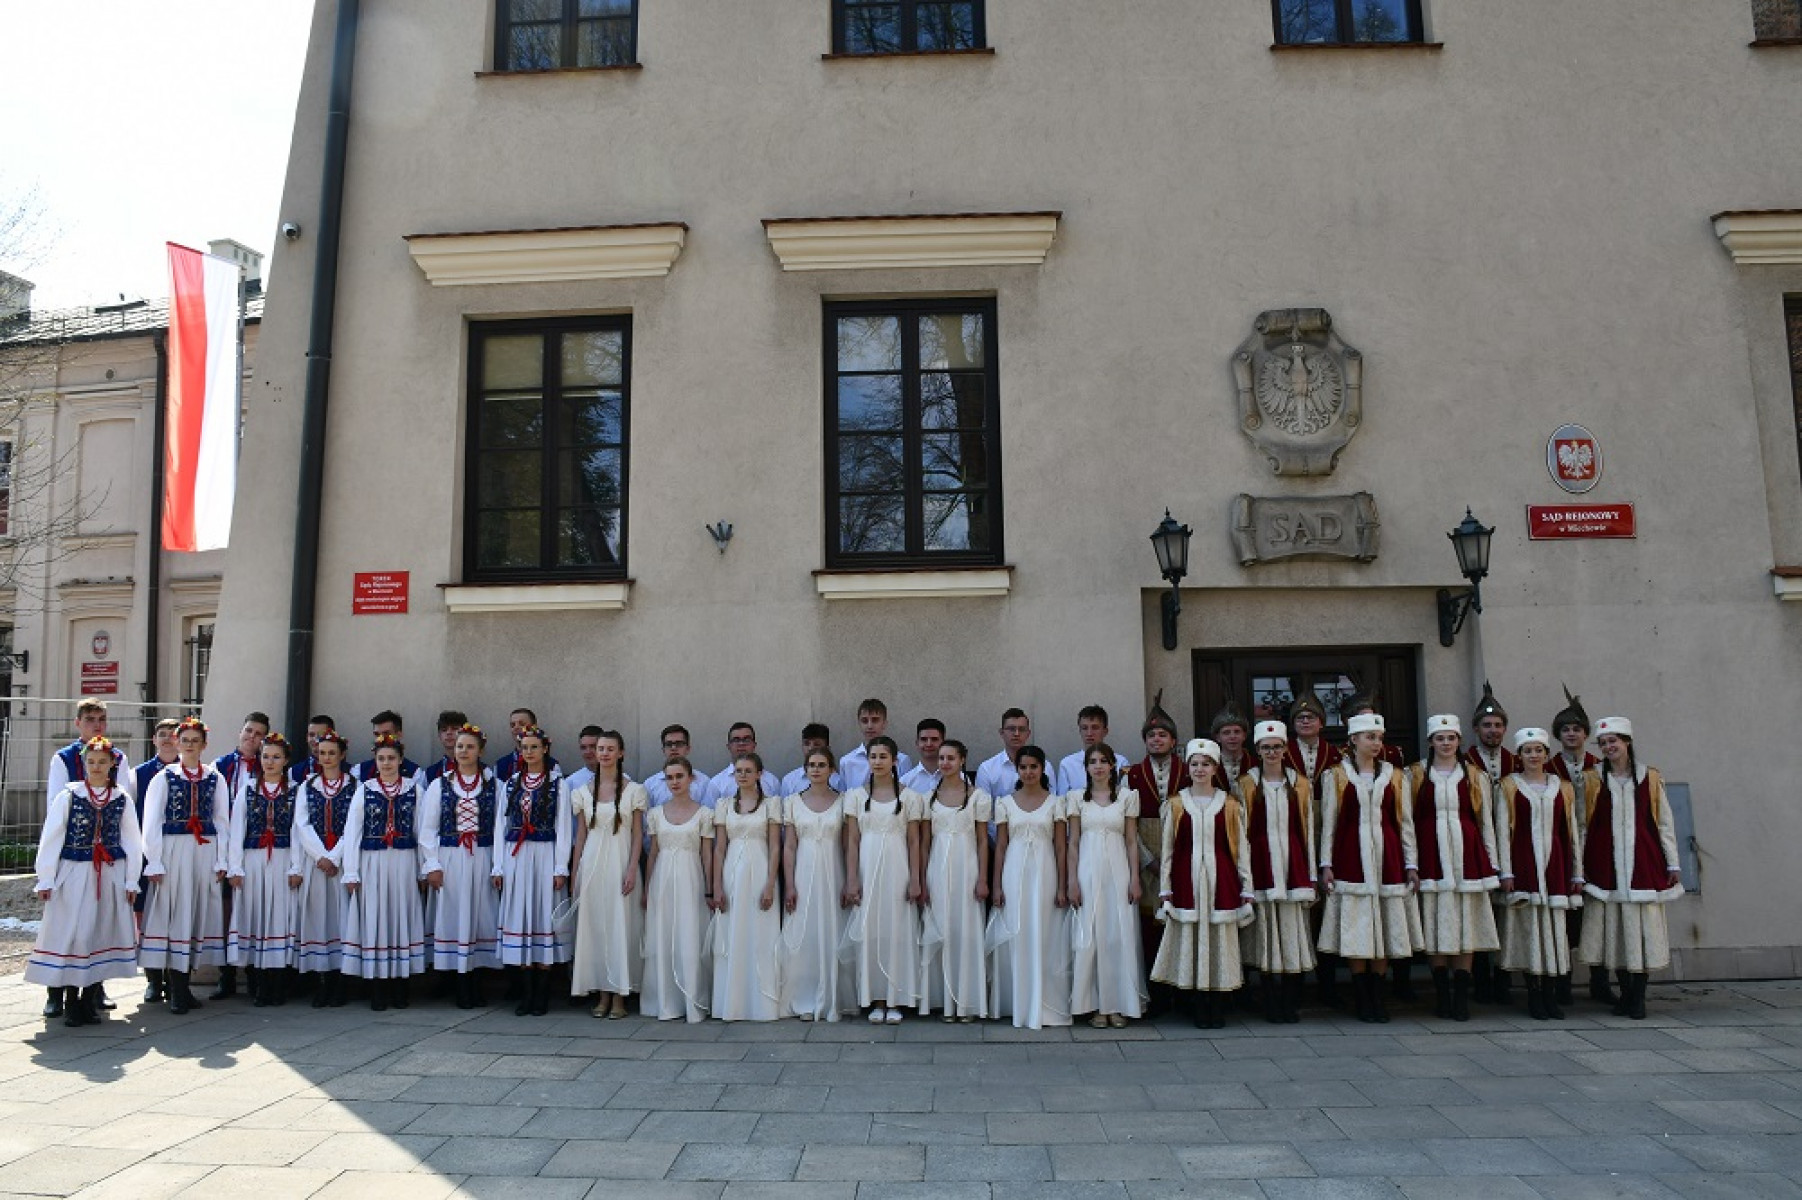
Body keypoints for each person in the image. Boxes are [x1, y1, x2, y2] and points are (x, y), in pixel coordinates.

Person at [26, 736, 143, 1027]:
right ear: (83, 763)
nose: (96, 767)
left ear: (112, 764)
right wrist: (46, 877)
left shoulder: (121, 799)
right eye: (91, 762)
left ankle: (89, 999)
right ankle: (69, 1000)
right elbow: (52, 836)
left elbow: (132, 841)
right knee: (74, 934)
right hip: (74, 873)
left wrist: (131, 880)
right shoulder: (70, 795)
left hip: (109, 873)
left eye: (102, 762)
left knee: (100, 933)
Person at [1317, 714, 1420, 1025]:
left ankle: (1378, 994)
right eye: (1370, 737)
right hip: (1350, 855)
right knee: (1358, 926)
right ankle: (1361, 994)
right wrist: (1326, 864)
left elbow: (1404, 822)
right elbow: (1329, 823)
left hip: (1387, 857)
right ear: (1353, 740)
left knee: (1384, 925)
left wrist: (1411, 863)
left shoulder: (1395, 776)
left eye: (1379, 738)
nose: (1376, 743)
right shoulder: (1336, 776)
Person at [1578, 717, 1683, 1021]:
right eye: (1603, 743)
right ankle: (1625, 994)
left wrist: (1673, 862)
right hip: (1605, 868)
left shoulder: (1650, 778)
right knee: (1617, 936)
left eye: (1613, 741)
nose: (1608, 747)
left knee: (1641, 934)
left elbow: (1664, 823)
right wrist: (1579, 865)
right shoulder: (1592, 779)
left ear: (1627, 742)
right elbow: (1582, 826)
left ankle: (1637, 998)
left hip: (1643, 864)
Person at [1152, 738, 1254, 1029]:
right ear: (1188, 768)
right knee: (1192, 940)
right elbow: (1168, 851)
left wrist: (1246, 886)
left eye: (1205, 764)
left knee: (1218, 941)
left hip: (1222, 880)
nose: (1200, 769)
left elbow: (1241, 849)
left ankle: (1217, 1004)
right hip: (1187, 880)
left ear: (1215, 768)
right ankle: (1196, 1003)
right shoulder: (1175, 804)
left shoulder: (1230, 805)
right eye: (1195, 764)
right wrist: (1165, 889)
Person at [42, 698, 132, 1018]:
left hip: (105, 855)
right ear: (78, 723)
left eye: (101, 719)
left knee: (99, 924)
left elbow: (123, 802)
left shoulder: (118, 758)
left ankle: (95, 988)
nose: (96, 724)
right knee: (66, 926)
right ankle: (55, 993)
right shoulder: (64, 758)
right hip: (73, 854)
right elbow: (55, 807)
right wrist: (50, 868)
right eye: (90, 719)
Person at [1408, 715, 1500, 1022]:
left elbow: (1485, 822)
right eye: (1440, 738)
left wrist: (1493, 864)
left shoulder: (1474, 776)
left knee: (1465, 927)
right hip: (1430, 856)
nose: (1446, 743)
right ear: (1431, 742)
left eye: (1451, 738)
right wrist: (1411, 862)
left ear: (1459, 741)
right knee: (1435, 926)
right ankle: (1442, 996)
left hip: (1467, 858)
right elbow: (1407, 820)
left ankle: (1461, 997)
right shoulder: (1415, 774)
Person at [139, 717, 229, 1015]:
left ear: (204, 745)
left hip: (204, 851)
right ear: (177, 743)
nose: (190, 745)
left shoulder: (214, 778)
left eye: (195, 741)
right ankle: (176, 988)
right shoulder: (164, 777)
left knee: (195, 914)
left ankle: (183, 985)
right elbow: (152, 821)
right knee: (175, 913)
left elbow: (221, 820)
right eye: (185, 740)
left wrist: (222, 858)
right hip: (173, 851)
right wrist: (154, 860)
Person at [1496, 728, 1583, 1021]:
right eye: (1527, 751)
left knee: (1554, 931)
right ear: (1519, 755)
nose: (1533, 755)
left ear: (1546, 754)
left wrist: (1576, 873)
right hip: (1523, 862)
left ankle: (1551, 993)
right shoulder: (1508, 786)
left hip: (1555, 863)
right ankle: (1533, 993)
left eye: (1538, 750)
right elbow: (1502, 831)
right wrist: (1505, 871)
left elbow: (1570, 832)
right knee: (1530, 929)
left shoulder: (1563, 787)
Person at [341, 733, 429, 1010]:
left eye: (391, 758)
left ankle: (400, 986)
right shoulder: (364, 790)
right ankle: (378, 987)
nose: (386, 763)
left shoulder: (414, 790)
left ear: (401, 760)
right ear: (375, 761)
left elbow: (422, 831)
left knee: (401, 917)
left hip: (404, 862)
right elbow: (352, 833)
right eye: (381, 759)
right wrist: (351, 871)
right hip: (373, 862)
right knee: (376, 920)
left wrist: (423, 869)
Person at [986, 745, 1072, 1029]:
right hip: (1014, 874)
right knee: (1017, 931)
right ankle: (1016, 1002)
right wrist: (996, 885)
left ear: (1043, 769)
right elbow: (1000, 847)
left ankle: (1045, 1002)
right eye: (1023, 767)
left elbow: (1061, 847)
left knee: (1044, 933)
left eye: (1034, 767)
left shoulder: (1056, 803)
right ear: (1017, 770)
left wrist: (1062, 886)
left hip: (1046, 874)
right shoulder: (1005, 803)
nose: (1028, 772)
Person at [1238, 721, 1316, 1025]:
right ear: (1258, 751)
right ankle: (1270, 1000)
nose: (1272, 752)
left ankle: (1291, 1001)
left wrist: (1310, 873)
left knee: (1291, 934)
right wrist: (1244, 878)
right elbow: (1241, 834)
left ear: (1285, 749)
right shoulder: (1246, 784)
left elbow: (1307, 829)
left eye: (1277, 747)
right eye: (1266, 747)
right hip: (1261, 864)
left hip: (1292, 864)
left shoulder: (1300, 784)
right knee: (1267, 937)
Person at [419, 723, 502, 1008]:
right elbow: (428, 829)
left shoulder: (494, 785)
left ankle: (475, 983)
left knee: (480, 917)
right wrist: (432, 864)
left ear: (480, 751)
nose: (463, 751)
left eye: (469, 746)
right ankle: (458, 985)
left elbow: (500, 828)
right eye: (459, 746)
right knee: (454, 917)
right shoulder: (439, 785)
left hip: (482, 856)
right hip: (451, 857)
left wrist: (498, 865)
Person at [491, 726, 572, 1016]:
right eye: (525, 747)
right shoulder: (512, 783)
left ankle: (542, 994)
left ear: (545, 749)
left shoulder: (558, 784)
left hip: (545, 855)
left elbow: (564, 828)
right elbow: (500, 826)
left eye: (534, 747)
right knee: (521, 917)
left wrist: (560, 867)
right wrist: (498, 866)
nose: (529, 752)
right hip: (517, 857)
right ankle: (526, 994)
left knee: (542, 916)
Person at [843, 736, 923, 1023]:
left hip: (898, 870)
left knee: (897, 930)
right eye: (873, 757)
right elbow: (852, 841)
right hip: (867, 870)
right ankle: (876, 998)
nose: (877, 762)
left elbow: (914, 841)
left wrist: (915, 879)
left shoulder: (910, 797)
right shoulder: (855, 797)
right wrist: (852, 879)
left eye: (883, 756)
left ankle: (897, 997)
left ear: (894, 761)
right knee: (872, 931)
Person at [1068, 743, 1145, 1028]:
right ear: (1086, 767)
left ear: (1113, 765)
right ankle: (1095, 1005)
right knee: (1091, 937)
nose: (1098, 766)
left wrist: (1134, 878)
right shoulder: (1076, 798)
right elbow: (1073, 842)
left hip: (1118, 872)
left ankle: (1118, 1004)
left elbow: (1131, 841)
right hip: (1087, 872)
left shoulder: (1127, 797)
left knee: (1117, 936)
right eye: (1093, 761)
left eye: (1103, 761)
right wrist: (1072, 880)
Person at [569, 729, 645, 1018]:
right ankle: (601, 993)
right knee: (597, 928)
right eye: (600, 748)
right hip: (592, 866)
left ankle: (620, 995)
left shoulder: (634, 791)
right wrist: (575, 873)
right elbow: (580, 836)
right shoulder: (582, 792)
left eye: (610, 749)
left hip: (620, 864)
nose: (603, 753)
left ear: (620, 753)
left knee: (620, 927)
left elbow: (637, 835)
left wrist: (632, 868)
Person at [226, 732, 301, 1007]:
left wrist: (296, 866)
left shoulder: (296, 790)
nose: (270, 762)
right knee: (255, 917)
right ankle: (257, 984)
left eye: (276, 757)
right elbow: (237, 830)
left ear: (286, 760)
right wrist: (235, 867)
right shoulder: (248, 789)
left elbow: (298, 831)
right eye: (266, 756)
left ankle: (278, 985)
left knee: (279, 919)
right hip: (253, 860)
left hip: (283, 858)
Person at [918, 739, 991, 1022]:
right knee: (941, 927)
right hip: (937, 869)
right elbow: (925, 842)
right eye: (941, 758)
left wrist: (982, 878)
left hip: (967, 869)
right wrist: (922, 878)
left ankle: (967, 1002)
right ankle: (943, 1000)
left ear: (962, 760)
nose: (945, 763)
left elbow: (983, 840)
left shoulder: (978, 797)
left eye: (951, 758)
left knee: (965, 930)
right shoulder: (928, 798)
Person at [1126, 694, 1188, 1012]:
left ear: (1173, 740)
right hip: (1146, 855)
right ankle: (1155, 995)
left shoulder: (1190, 770)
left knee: (1180, 923)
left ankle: (1182, 991)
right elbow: (1128, 824)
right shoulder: (1131, 774)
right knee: (1150, 927)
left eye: (1162, 734)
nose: (1156, 739)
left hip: (1181, 853)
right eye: (1151, 735)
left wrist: (1180, 858)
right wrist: (1147, 859)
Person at [710, 753, 783, 1021]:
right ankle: (733, 1001)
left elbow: (775, 846)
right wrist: (717, 886)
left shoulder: (772, 804)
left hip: (760, 871)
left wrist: (770, 883)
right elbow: (719, 848)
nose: (742, 775)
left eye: (748, 770)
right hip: (731, 873)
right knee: (733, 934)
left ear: (759, 774)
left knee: (761, 934)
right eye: (738, 771)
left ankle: (761, 1002)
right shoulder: (723, 805)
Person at [1550, 688, 1611, 1007]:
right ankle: (1562, 982)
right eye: (1565, 730)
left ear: (1586, 734)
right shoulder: (1548, 768)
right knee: (1564, 916)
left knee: (1597, 914)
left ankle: (1600, 981)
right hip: (1560, 846)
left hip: (1594, 845)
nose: (1571, 734)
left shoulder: (1601, 768)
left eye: (1576, 729)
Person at [641, 757, 713, 1022]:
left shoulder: (704, 814)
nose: (675, 782)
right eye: (670, 777)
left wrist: (710, 888)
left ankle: (692, 998)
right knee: (664, 935)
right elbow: (653, 853)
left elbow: (707, 854)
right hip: (662, 880)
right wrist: (647, 888)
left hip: (692, 879)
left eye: (679, 776)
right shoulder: (655, 814)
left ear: (691, 778)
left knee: (690, 934)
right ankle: (666, 1000)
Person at [781, 747, 851, 1020]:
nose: (816, 769)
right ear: (805, 769)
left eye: (822, 765)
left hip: (834, 873)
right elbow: (789, 846)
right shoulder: (792, 802)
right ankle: (804, 997)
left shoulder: (844, 801)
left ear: (832, 770)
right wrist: (790, 884)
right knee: (805, 933)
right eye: (812, 765)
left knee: (833, 930)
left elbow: (848, 845)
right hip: (803, 874)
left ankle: (834, 996)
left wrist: (849, 880)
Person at [209, 711, 271, 1002]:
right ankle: (226, 975)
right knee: (225, 909)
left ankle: (255, 974)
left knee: (252, 909)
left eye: (259, 734)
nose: (252, 737)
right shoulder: (220, 766)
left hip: (255, 846)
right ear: (240, 732)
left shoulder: (268, 765)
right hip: (224, 845)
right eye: (248, 731)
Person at [294, 729, 355, 1007]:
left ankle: (342, 982)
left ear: (342, 755)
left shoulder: (355, 786)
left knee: (342, 920)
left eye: (332, 753)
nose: (327, 758)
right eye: (322, 753)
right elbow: (302, 824)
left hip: (343, 862)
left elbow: (354, 825)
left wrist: (335, 856)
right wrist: (320, 856)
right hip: (316, 864)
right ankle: (323, 981)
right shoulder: (307, 786)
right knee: (319, 919)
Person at [1466, 681, 1517, 1005]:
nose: (1493, 730)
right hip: (1477, 847)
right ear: (1476, 729)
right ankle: (1480, 979)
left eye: (1498, 725)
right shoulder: (1465, 763)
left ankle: (1504, 979)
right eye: (1487, 725)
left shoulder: (1518, 762)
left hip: (1512, 845)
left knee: (1507, 915)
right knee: (1480, 913)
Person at [132, 718, 180, 1001]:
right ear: (153, 740)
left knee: (175, 915)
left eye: (173, 735)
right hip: (146, 855)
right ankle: (152, 978)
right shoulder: (140, 774)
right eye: (162, 734)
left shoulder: (193, 773)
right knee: (147, 916)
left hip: (178, 854)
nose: (167, 739)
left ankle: (175, 978)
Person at [839, 699, 915, 793]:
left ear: (884, 724)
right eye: (864, 721)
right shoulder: (847, 762)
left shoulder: (901, 760)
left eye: (875, 720)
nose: (869, 726)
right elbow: (844, 796)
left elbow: (905, 794)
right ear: (859, 724)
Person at [1056, 704, 1130, 794]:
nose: (1089, 733)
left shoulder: (1120, 762)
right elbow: (1062, 798)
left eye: (1095, 728)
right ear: (1080, 731)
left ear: (1105, 731)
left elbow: (1125, 796)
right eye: (1084, 728)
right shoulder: (1067, 764)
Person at [646, 724, 715, 814]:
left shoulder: (703, 782)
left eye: (679, 744)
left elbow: (708, 814)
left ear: (688, 749)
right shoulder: (650, 785)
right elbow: (646, 818)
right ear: (663, 750)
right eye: (669, 744)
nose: (673, 748)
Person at [708, 723, 781, 802]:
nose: (741, 744)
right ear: (728, 746)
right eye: (736, 740)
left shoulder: (772, 781)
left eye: (747, 740)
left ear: (754, 745)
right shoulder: (716, 783)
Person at [976, 708, 1035, 801]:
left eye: (1021, 729)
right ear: (1001, 733)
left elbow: (1050, 803)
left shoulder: (1045, 767)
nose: (1016, 734)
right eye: (1011, 729)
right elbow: (982, 807)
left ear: (1028, 734)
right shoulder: (987, 769)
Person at [352, 710, 423, 786]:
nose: (381, 738)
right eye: (377, 734)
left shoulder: (414, 773)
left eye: (386, 734)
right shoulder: (360, 771)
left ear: (399, 735)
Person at [781, 724, 842, 797]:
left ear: (827, 748)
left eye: (817, 744)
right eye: (806, 744)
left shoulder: (838, 781)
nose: (810, 748)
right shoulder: (789, 780)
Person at [494, 707, 553, 782]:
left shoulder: (552, 765)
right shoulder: (500, 765)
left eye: (522, 724)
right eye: (512, 725)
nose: (516, 727)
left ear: (534, 727)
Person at [1210, 703, 1254, 789]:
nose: (1232, 737)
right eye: (1226, 732)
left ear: (1244, 735)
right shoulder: (1209, 764)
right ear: (1218, 737)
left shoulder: (1255, 763)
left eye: (1237, 732)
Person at [288, 714, 338, 783]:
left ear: (333, 736)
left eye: (322, 735)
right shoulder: (294, 772)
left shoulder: (349, 771)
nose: (315, 739)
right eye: (311, 735)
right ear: (307, 737)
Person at [423, 709, 469, 784]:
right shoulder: (430, 773)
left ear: (465, 733)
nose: (449, 733)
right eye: (444, 730)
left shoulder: (483, 771)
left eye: (454, 728)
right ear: (439, 735)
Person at [900, 719, 945, 792]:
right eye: (924, 739)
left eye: (934, 739)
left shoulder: (960, 779)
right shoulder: (905, 782)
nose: (929, 744)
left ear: (943, 743)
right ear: (917, 743)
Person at [565, 725, 605, 795]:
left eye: (593, 746)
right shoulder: (570, 783)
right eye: (583, 747)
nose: (588, 752)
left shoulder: (623, 780)